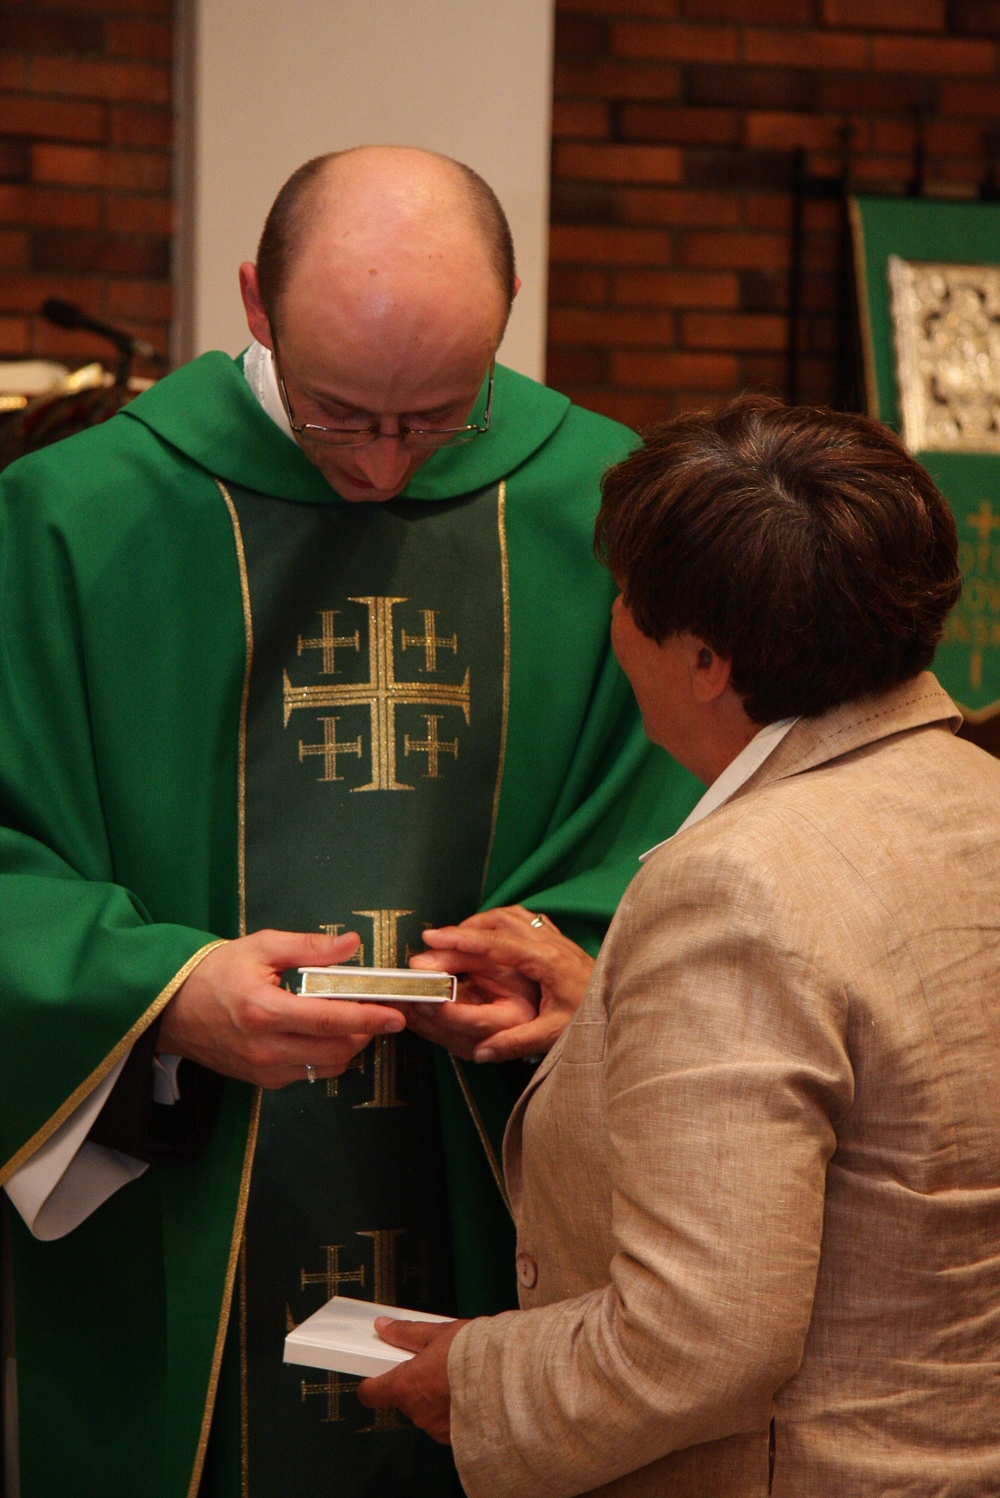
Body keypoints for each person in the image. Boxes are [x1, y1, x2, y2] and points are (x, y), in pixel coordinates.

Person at [0, 147, 702, 1498]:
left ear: (507, 318)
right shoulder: (67, 522)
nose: (381, 465)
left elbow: (696, 831)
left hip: (504, 1187)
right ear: (255, 303)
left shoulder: (617, 509)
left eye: (436, 417)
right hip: (187, 1200)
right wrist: (159, 993)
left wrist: (577, 964)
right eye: (339, 416)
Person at [359, 395, 1000, 1496]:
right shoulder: (975, 793)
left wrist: (479, 1379)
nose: (613, 624)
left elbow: (703, 1338)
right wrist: (612, 1014)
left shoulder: (736, 884)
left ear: (704, 659)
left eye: (624, 597)